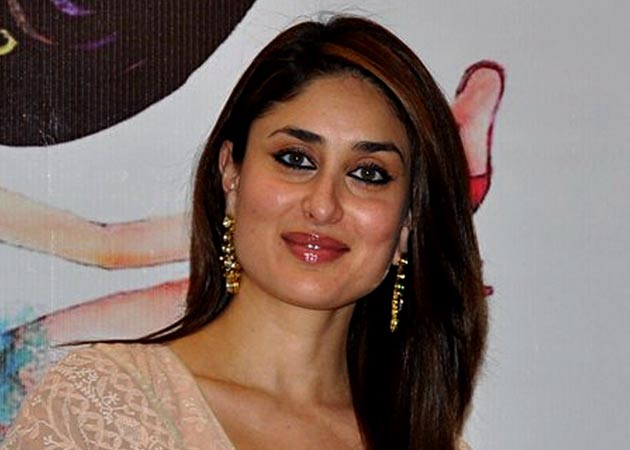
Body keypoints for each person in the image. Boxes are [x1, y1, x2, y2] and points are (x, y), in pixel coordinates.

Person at [2, 15, 488, 450]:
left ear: (407, 222)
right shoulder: (101, 408)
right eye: (295, 159)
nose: (323, 205)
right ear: (231, 174)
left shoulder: (429, 443)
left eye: (368, 173)